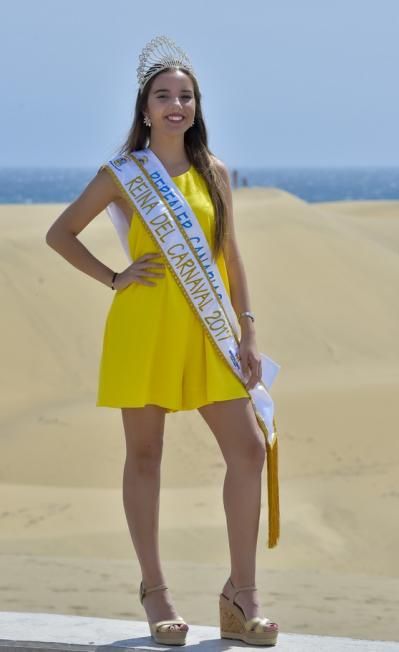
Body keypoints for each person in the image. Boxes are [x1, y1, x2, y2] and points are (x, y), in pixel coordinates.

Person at [45, 35, 279, 646]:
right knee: (145, 457)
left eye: (186, 95)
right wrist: (115, 277)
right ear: (144, 107)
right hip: (144, 327)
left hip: (209, 331)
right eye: (163, 95)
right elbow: (61, 233)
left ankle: (242, 595)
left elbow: (229, 257)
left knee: (249, 451)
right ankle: (156, 593)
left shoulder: (213, 171)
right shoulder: (121, 174)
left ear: (197, 106)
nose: (176, 105)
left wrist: (248, 328)